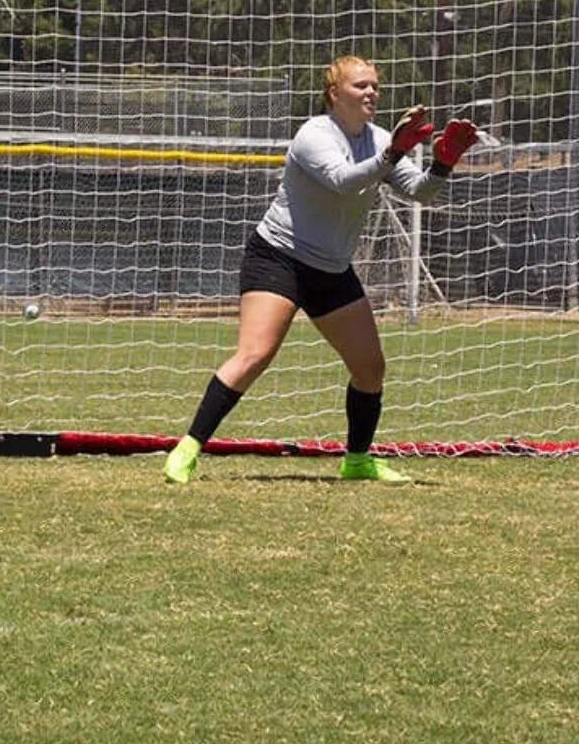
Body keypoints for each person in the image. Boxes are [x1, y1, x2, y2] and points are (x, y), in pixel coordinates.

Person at [163, 54, 479, 485]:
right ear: (334, 94)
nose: (371, 92)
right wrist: (392, 152)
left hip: (331, 269)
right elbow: (342, 179)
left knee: (370, 368)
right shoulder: (314, 134)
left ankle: (357, 460)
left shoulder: (381, 138)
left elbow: (420, 192)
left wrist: (444, 161)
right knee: (255, 354)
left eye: (374, 86)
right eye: (360, 85)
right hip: (279, 257)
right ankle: (188, 448)